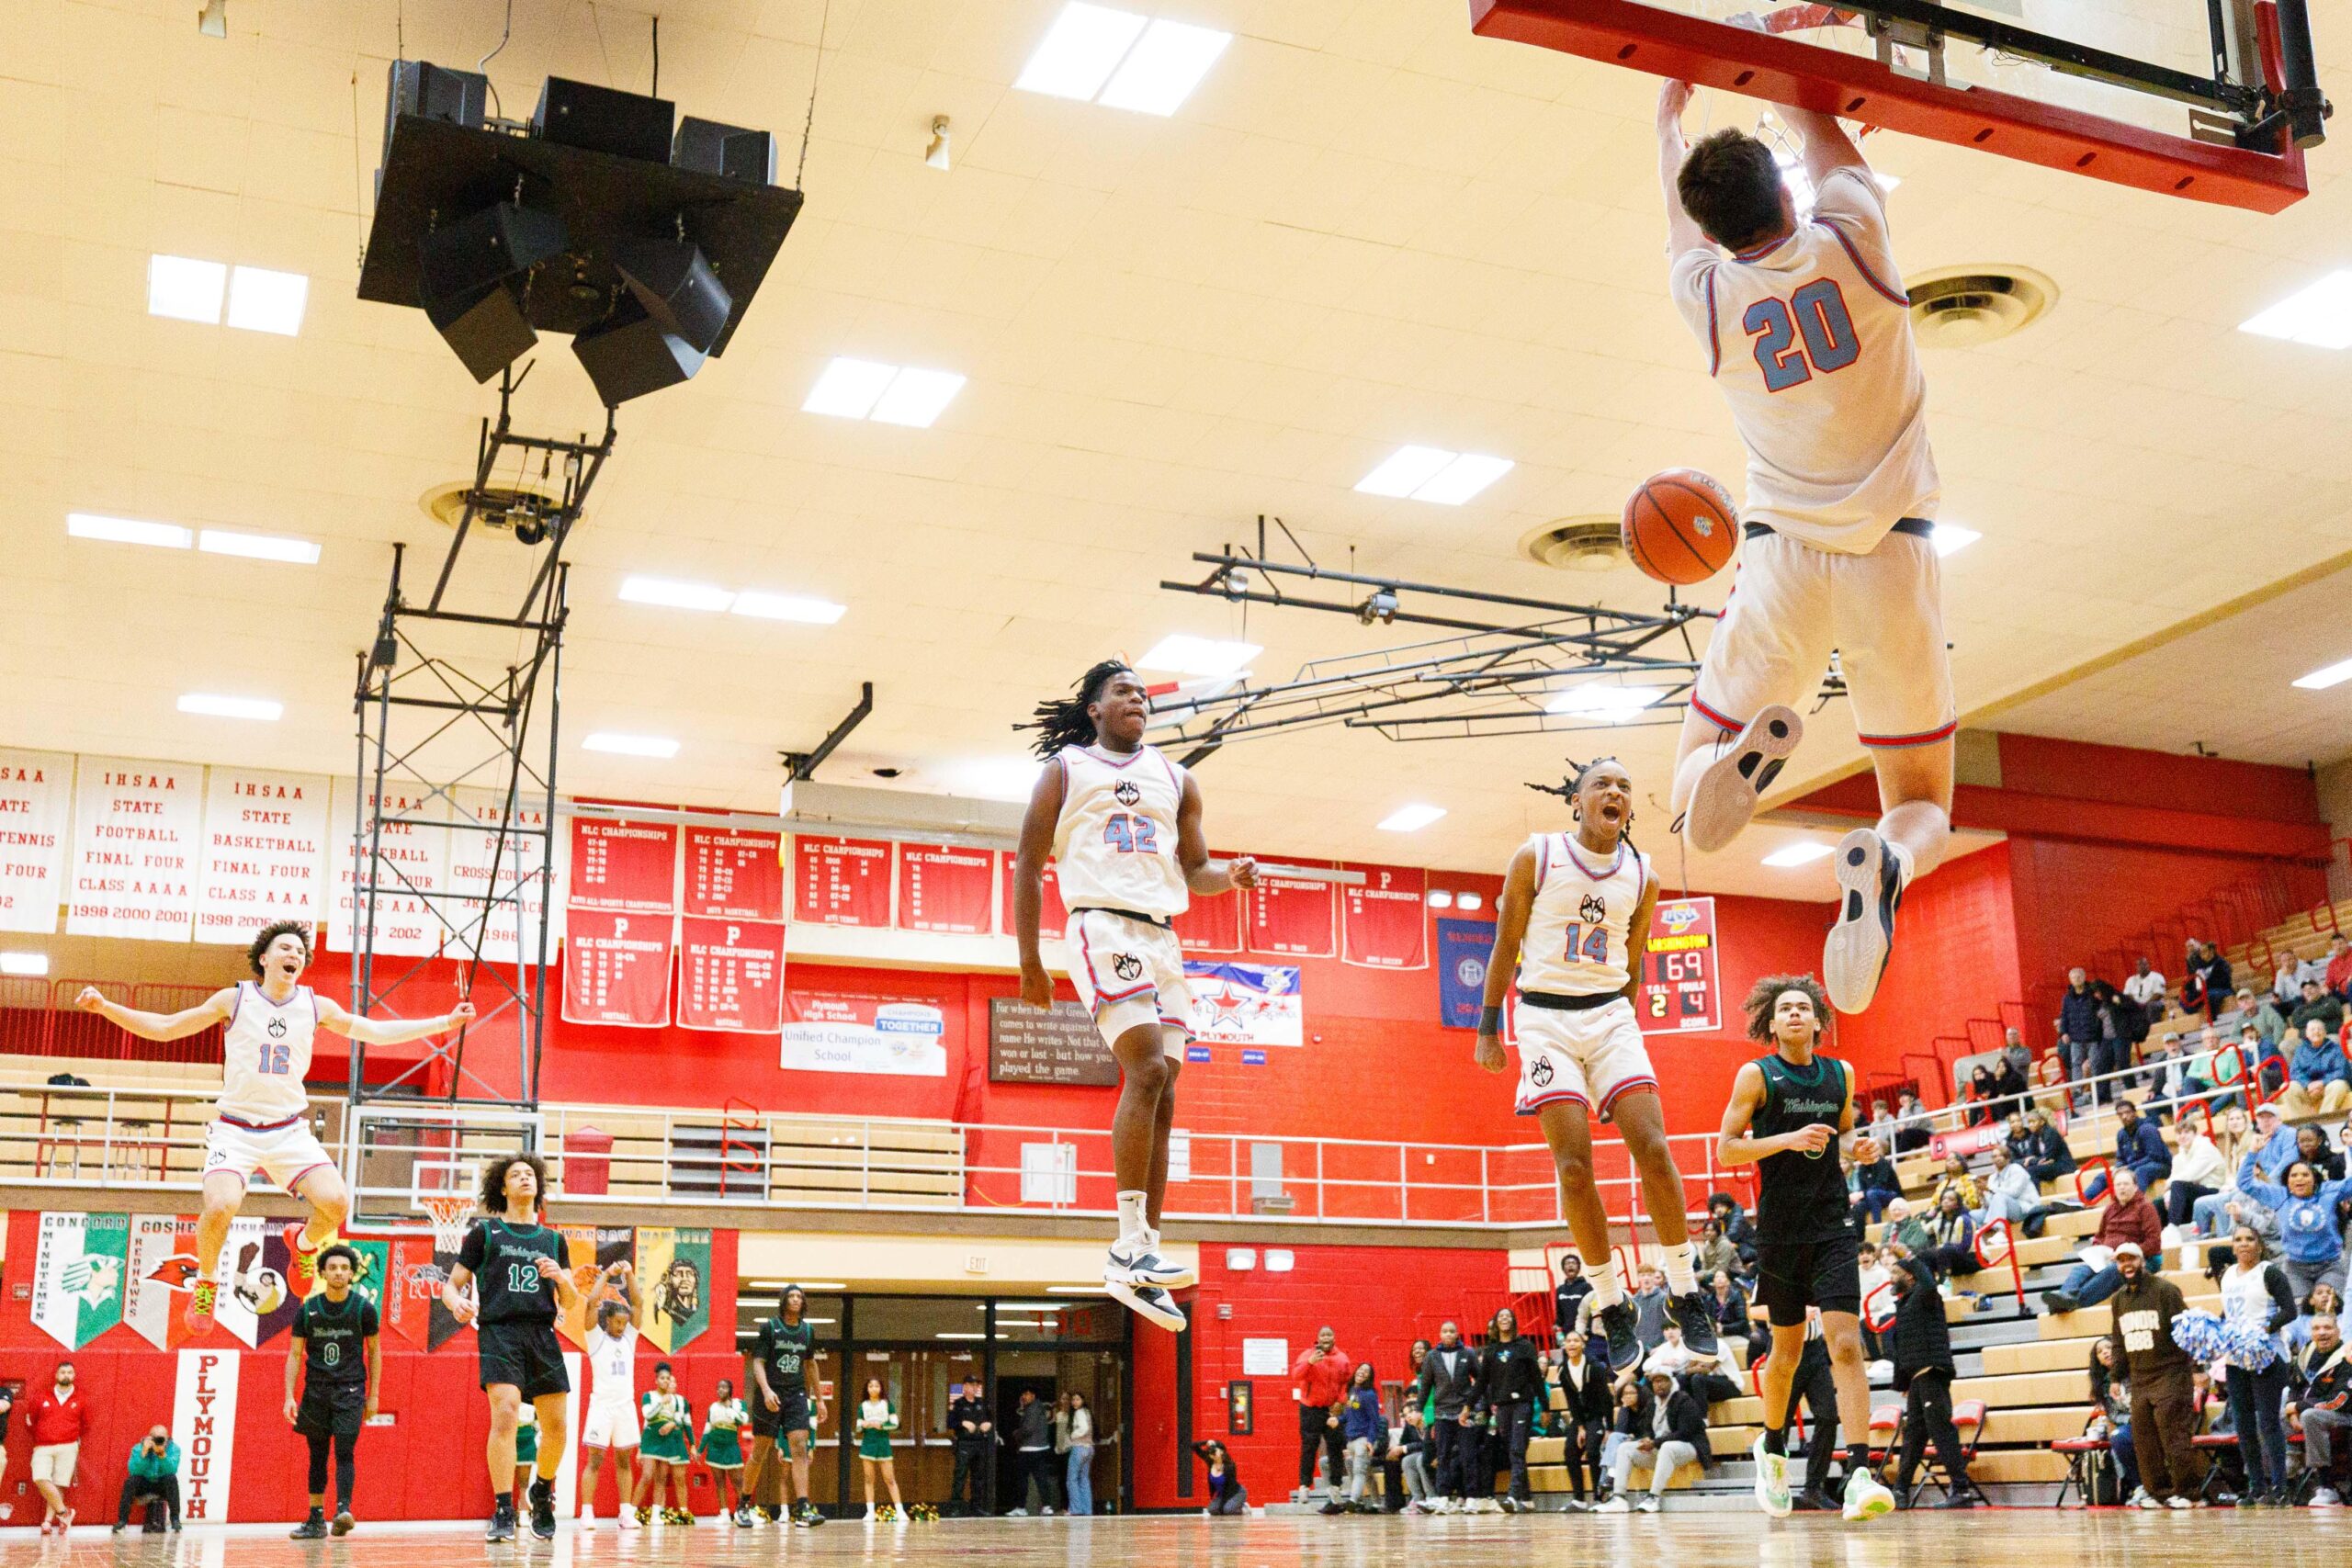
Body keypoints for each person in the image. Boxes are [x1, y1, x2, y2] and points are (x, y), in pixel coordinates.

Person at [1653, 81, 1948, 1016]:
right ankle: (1885, 863)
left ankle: (1735, 761)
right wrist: (1776, 71)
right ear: (1785, 197)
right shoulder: (1852, 237)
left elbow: (1682, 222)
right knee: (1920, 797)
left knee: (1691, 764)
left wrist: (1663, 124)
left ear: (1713, 231)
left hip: (1783, 555)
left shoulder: (1703, 298)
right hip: (1892, 555)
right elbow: (1821, 128)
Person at [76, 921, 474, 1333]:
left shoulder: (316, 1005)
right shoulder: (234, 998)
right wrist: (107, 1008)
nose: (295, 955)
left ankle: (300, 1245)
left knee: (337, 1204)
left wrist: (444, 1022)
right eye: (286, 948)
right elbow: (165, 1028)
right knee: (220, 1206)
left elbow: (375, 1031)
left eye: (300, 952)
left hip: (287, 1130)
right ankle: (207, 1285)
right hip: (235, 1129)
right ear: (264, 958)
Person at [1015, 661, 1254, 1331]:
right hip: (1099, 922)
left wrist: (1229, 876)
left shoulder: (1179, 778)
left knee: (1168, 1087)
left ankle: (1144, 1249)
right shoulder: (1066, 770)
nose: (1137, 700)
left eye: (1144, 694)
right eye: (1123, 691)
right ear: (1093, 707)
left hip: (1162, 935)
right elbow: (1028, 865)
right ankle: (1125, 1240)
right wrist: (1031, 959)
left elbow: (1196, 869)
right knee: (1145, 1068)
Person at [1476, 757, 1714, 1368]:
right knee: (1576, 1168)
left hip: (1610, 1014)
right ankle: (1611, 1302)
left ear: (1630, 807)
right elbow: (1506, 941)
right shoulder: (1537, 855)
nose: (1615, 791)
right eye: (1602, 783)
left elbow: (1633, 961)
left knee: (1654, 1148)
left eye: (1625, 785)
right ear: (1577, 801)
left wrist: (1625, 1032)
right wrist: (1487, 1028)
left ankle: (1687, 1290)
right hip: (1544, 1018)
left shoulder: (1642, 875)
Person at [1717, 974, 1895, 1520]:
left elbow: (1842, 1134)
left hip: (1832, 1224)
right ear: (1771, 1024)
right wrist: (1788, 1140)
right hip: (1779, 1229)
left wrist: (1857, 1146)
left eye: (1803, 1007)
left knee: (1846, 1343)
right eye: (1784, 1008)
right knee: (1787, 1351)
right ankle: (1772, 1447)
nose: (1795, 1014)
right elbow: (1727, 1151)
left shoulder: (1840, 1073)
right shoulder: (1757, 1075)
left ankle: (1861, 1473)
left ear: (1818, 1020)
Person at [442, 1153, 580, 1542]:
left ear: (538, 1186)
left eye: (530, 1174)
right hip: (499, 1332)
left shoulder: (554, 1240)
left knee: (556, 1428)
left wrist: (561, 1280)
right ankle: (504, 1507)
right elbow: (450, 1285)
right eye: (515, 1175)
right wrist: (457, 1304)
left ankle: (542, 1491)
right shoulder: (485, 1234)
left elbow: (570, 1303)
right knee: (504, 1414)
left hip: (541, 1333)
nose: (524, 1179)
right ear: (502, 1187)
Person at [285, 1243, 380, 1539]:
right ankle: (315, 1520)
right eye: (333, 1267)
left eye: (344, 1268)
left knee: (344, 1450)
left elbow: (375, 1353)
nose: (339, 1272)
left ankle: (343, 1510)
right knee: (316, 1455)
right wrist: (289, 1394)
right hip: (316, 1391)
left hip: (350, 1390)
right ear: (323, 1272)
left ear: (352, 1273)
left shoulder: (364, 1309)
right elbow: (294, 1354)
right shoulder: (307, 1310)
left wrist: (374, 1394)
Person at [2109, 1243, 2204, 1507]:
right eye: (2121, 1261)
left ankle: (2188, 1493)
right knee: (2144, 1440)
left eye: (2132, 1259)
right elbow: (2118, 1341)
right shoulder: (2118, 1300)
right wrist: (2116, 1377)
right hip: (2139, 1378)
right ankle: (2158, 1492)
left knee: (2173, 1435)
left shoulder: (2166, 1291)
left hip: (2171, 1373)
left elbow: (2187, 1331)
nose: (2127, 1265)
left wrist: (2196, 1369)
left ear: (2142, 1261)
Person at [2215, 1225, 2298, 1506]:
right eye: (2238, 1240)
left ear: (2259, 1244)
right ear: (2233, 1246)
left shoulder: (2269, 1273)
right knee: (2244, 1425)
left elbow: (2290, 1310)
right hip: (2236, 1358)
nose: (2244, 1244)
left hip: (2268, 1356)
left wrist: (2265, 1328)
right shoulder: (2227, 1275)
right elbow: (2229, 1313)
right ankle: (2256, 1488)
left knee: (2268, 1422)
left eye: (2250, 1239)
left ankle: (2280, 1487)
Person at [1887, 1254, 1975, 1506]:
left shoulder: (1926, 1295)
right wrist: (1903, 1382)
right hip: (1917, 1378)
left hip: (1932, 1372)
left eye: (1895, 1273)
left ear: (1910, 1275)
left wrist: (1910, 1257)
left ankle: (1961, 1490)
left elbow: (1928, 1282)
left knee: (1941, 1431)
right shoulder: (1904, 1304)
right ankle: (1901, 1491)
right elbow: (1904, 1345)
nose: (1891, 1278)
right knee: (1913, 1434)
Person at [747, 1285, 831, 1528]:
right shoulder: (769, 1328)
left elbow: (810, 1364)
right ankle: (743, 1504)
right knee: (760, 1451)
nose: (795, 1299)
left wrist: (820, 1399)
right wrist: (766, 1391)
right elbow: (758, 1364)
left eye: (799, 1297)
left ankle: (803, 1508)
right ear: (783, 1301)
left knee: (800, 1448)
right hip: (771, 1394)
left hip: (796, 1395)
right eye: (791, 1296)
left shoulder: (807, 1331)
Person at [578, 1260, 646, 1531]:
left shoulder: (629, 1339)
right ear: (607, 1320)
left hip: (624, 1407)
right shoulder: (596, 1339)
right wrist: (607, 1273)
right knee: (594, 1461)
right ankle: (586, 1513)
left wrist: (629, 1273)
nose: (621, 1326)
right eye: (617, 1322)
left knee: (624, 1460)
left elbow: (638, 1304)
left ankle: (626, 1513)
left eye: (624, 1323)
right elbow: (591, 1302)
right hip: (602, 1406)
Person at [2042, 1166, 2164, 1314]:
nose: (2122, 1188)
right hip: (2108, 1257)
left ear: (2135, 1186)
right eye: (2118, 1185)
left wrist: (2125, 1254)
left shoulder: (2146, 1208)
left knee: (2114, 1271)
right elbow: (2100, 1237)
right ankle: (2063, 1297)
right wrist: (2097, 1252)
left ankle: (2074, 1302)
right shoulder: (2110, 1209)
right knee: (2080, 1270)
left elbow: (2153, 1243)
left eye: (2126, 1184)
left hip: (2140, 1259)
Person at [2233, 1153, 2352, 1303]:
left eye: (2305, 1175)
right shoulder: (2279, 1196)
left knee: (2327, 1308)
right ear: (2287, 1181)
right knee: (2299, 1315)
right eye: (2294, 1175)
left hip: (2330, 1265)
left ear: (2314, 1178)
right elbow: (2244, 1183)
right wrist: (2252, 1152)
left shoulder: (2329, 1191)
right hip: (2296, 1268)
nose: (2299, 1179)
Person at [1593, 1370, 1711, 1513]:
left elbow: (1684, 1433)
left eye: (1663, 1380)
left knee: (1667, 1446)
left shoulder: (1684, 1400)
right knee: (1625, 1448)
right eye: (1655, 1381)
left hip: (1690, 1447)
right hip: (1662, 1449)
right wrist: (1647, 1439)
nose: (1658, 1384)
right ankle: (1619, 1498)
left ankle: (1653, 1497)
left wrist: (1654, 1443)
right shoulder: (1653, 1404)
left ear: (1671, 1382)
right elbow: (1648, 1430)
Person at [1477, 1309, 1544, 1513]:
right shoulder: (1491, 1351)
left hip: (1522, 1404)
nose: (1504, 1319)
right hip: (1503, 1407)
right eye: (1500, 1317)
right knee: (1512, 1450)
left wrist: (1545, 1406)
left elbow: (1536, 1378)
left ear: (1513, 1321)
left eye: (1508, 1316)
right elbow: (1482, 1382)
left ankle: (1513, 1497)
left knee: (1516, 1449)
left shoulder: (1525, 1347)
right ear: (1496, 1324)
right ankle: (1526, 1498)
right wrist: (1467, 1406)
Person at [1413, 1321, 1481, 1511]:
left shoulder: (1468, 1353)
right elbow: (1425, 1387)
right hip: (1442, 1413)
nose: (1449, 1334)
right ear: (1440, 1334)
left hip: (1464, 1413)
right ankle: (1443, 1497)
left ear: (1457, 1333)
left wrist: (1475, 1403)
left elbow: (1480, 1380)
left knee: (1468, 1456)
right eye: (1445, 1331)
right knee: (1442, 1456)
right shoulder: (1432, 1357)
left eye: (1452, 1331)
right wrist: (1418, 1410)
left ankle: (1472, 1498)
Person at [2285, 1312, 2351, 1506]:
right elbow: (2294, 1387)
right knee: (2271, 1412)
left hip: (2344, 1415)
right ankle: (2280, 1476)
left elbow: (2339, 1400)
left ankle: (2326, 1487)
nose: (2322, 1333)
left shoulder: (2346, 1357)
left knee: (2311, 1416)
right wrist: (2292, 1413)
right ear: (2310, 1332)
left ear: (2338, 1331)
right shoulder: (2306, 1353)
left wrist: (2297, 1407)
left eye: (2327, 1328)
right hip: (2308, 1412)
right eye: (2316, 1328)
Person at [1289, 1326, 1351, 1499]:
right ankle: (1304, 1486)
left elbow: (1346, 1383)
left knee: (1335, 1447)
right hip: (1310, 1408)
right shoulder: (1307, 1355)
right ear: (1318, 1338)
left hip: (1332, 1409)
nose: (1326, 1338)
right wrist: (1310, 1362)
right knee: (1309, 1446)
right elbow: (1296, 1375)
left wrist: (1340, 1402)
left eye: (1329, 1335)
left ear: (1334, 1337)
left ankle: (1336, 1486)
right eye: (1323, 1335)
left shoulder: (1342, 1358)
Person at [1555, 1329, 1612, 1507]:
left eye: (1576, 1341)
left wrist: (1609, 1427)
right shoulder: (1563, 1369)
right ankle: (1579, 1499)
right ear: (1564, 1346)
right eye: (1569, 1341)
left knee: (1593, 1450)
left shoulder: (1594, 1367)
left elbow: (1606, 1398)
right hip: (1581, 1418)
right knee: (1570, 1451)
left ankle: (1598, 1497)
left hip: (1597, 1415)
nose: (1571, 1344)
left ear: (1583, 1345)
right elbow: (1571, 1400)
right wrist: (1579, 1426)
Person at [635, 1363, 695, 1525]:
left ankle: (656, 1514)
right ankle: (630, 1511)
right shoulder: (648, 1396)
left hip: (667, 1439)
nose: (665, 1381)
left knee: (661, 1478)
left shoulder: (677, 1400)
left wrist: (690, 1442)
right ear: (656, 1380)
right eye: (662, 1378)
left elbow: (680, 1420)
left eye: (668, 1378)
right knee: (647, 1475)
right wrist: (662, 1402)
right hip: (651, 1437)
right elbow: (647, 1415)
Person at [29, 1360, 84, 1535]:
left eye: (69, 1372)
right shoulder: (41, 1397)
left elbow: (86, 1425)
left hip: (68, 1445)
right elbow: (31, 1421)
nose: (66, 1375)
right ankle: (64, 1513)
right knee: (41, 1478)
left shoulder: (81, 1399)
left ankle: (47, 1522)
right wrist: (43, 1434)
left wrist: (70, 1436)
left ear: (74, 1376)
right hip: (43, 1446)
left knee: (59, 1483)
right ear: (56, 1375)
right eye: (62, 1372)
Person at [2087, 1337, 2142, 1503]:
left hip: (2148, 1420)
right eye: (2099, 1351)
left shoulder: (2134, 1371)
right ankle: (2138, 1486)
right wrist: (2131, 1419)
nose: (2105, 1352)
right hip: (2128, 1424)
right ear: (2097, 1360)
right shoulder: (2103, 1384)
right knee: (2118, 1437)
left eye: (2109, 1347)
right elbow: (2113, 1415)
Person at [1329, 1362, 1385, 1514]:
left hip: (1363, 1438)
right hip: (1351, 1439)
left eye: (1366, 1371)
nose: (1362, 1372)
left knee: (1359, 1471)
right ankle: (1377, 1503)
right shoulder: (1353, 1391)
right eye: (1360, 1369)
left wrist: (1371, 1441)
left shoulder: (1369, 1395)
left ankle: (1353, 1501)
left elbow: (1375, 1420)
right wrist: (1338, 1420)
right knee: (1366, 1472)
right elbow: (1349, 1413)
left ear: (1370, 1377)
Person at [2165, 1113, 2226, 1233]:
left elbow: (2190, 1176)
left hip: (2213, 1189)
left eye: (2186, 1132)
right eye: (2179, 1133)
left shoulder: (2205, 1148)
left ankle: (2173, 1228)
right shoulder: (2179, 1157)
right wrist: (2168, 1193)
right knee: (2159, 1203)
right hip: (2193, 1190)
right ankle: (2165, 1238)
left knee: (2178, 1186)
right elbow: (2174, 1178)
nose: (2182, 1136)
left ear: (2195, 1134)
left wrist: (2170, 1185)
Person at [112, 1427, 181, 1534]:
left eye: (161, 1439)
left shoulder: (174, 1449)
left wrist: (162, 1455)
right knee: (131, 1481)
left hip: (161, 1483)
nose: (158, 1441)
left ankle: (175, 1519)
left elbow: (172, 1470)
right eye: (155, 1438)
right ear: (150, 1438)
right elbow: (133, 1470)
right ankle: (122, 1521)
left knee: (171, 1479)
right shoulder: (138, 1448)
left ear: (167, 1439)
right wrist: (144, 1454)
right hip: (145, 1483)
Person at [854, 1377, 904, 1520]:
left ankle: (900, 1511)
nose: (873, 1389)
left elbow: (895, 1424)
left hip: (883, 1444)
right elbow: (858, 1427)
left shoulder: (887, 1405)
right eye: (870, 1386)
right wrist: (863, 1425)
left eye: (876, 1386)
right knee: (869, 1479)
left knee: (890, 1479)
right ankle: (870, 1512)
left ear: (881, 1388)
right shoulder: (862, 1406)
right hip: (868, 1444)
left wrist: (881, 1425)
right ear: (867, 1389)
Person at [2280, 1017, 2352, 1117]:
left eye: (2320, 1029)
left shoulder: (2335, 1049)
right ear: (2306, 1034)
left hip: (2328, 1086)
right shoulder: (2300, 1050)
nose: (2316, 1032)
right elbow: (2295, 1073)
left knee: (2339, 1085)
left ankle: (2323, 1120)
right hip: (2308, 1089)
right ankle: (2303, 1124)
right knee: (2286, 1087)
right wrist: (2308, 1084)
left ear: (2325, 1033)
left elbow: (2342, 1071)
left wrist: (2322, 1082)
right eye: (2312, 1029)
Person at [1973, 1145, 2048, 1239]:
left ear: (2008, 1158)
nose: (1997, 1159)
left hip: (2025, 1208)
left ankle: (2001, 1232)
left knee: (1999, 1197)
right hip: (2004, 1210)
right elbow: (1991, 1205)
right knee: (1973, 1214)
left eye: (2000, 1155)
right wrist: (1983, 1195)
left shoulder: (2016, 1169)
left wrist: (1990, 1189)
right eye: (1994, 1156)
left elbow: (2014, 1193)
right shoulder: (1992, 1178)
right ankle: (1979, 1241)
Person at [703, 1379, 750, 1526]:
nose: (720, 1390)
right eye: (718, 1387)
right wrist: (699, 1449)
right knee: (720, 1482)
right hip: (715, 1449)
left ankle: (744, 1511)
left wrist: (730, 1410)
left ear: (730, 1389)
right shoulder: (713, 1407)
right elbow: (708, 1429)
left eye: (723, 1387)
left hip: (731, 1448)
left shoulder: (739, 1404)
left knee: (738, 1481)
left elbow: (743, 1421)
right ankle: (723, 1513)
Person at [946, 1376, 993, 1518]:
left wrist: (989, 1425)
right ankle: (956, 1507)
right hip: (965, 1443)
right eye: (972, 1385)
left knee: (978, 1477)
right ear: (965, 1387)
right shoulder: (958, 1404)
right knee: (960, 1476)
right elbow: (950, 1423)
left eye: (976, 1385)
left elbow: (990, 1419)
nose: (974, 1387)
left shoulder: (982, 1403)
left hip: (980, 1443)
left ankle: (976, 1507)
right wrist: (962, 1423)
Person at [1011, 1388, 1057, 1516]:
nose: (1024, 1396)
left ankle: (1021, 1507)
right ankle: (1047, 1506)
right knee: (1041, 1478)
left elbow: (1028, 1429)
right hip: (1040, 1448)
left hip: (1029, 1449)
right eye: (1023, 1394)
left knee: (1023, 1479)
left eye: (1026, 1394)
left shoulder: (1032, 1409)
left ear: (1033, 1395)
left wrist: (1016, 1434)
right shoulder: (1039, 1408)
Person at [2020, 1109, 2075, 1187]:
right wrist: (2033, 1160)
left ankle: (2036, 1198)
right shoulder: (2034, 1137)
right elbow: (2030, 1156)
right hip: (2049, 1166)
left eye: (2033, 1122)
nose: (2030, 1125)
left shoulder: (2051, 1133)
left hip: (2063, 1166)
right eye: (2029, 1122)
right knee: (2023, 1169)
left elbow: (2047, 1157)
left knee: (2031, 1170)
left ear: (2042, 1122)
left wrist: (2032, 1160)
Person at [1396, 1405, 1435, 1514]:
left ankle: (1431, 1497)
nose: (1408, 1416)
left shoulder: (1429, 1422)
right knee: (1407, 1461)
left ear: (1420, 1413)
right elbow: (1403, 1442)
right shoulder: (1410, 1427)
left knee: (1421, 1459)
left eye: (1411, 1412)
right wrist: (1397, 1448)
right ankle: (1417, 1498)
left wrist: (1405, 1448)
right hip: (1424, 1452)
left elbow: (1428, 1444)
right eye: (1405, 1415)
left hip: (1437, 1452)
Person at [1192, 1439, 1247, 1515]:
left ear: (1222, 1452)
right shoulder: (1210, 1463)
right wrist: (1206, 1442)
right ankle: (1230, 1506)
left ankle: (1244, 1508)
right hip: (1222, 1494)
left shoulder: (1229, 1466)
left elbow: (1230, 1488)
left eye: (1215, 1451)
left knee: (1227, 1510)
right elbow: (1193, 1445)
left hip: (1235, 1492)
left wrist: (1221, 1506)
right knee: (1212, 1510)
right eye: (1211, 1452)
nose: (1213, 1453)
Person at [1065, 1391, 1096, 1518]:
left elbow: (1083, 1428)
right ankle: (1087, 1509)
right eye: (1073, 1400)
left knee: (1072, 1479)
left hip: (1079, 1448)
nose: (1074, 1402)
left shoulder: (1078, 1413)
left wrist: (1073, 1435)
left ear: (1082, 1400)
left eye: (1077, 1399)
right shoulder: (1088, 1412)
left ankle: (1075, 1509)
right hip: (1089, 1448)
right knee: (1084, 1479)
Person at [1555, 1254, 1593, 1340]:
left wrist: (1588, 1330)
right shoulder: (1560, 1290)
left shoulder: (1586, 1287)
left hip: (1584, 1333)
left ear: (1579, 1268)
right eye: (1567, 1263)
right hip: (1567, 1333)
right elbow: (1559, 1312)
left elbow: (1592, 1310)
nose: (1570, 1265)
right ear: (1563, 1269)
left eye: (1573, 1263)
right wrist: (1557, 1325)